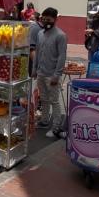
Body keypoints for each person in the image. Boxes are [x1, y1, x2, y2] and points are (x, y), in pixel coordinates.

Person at [32, 7, 67, 138]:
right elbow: (37, 52)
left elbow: (61, 56)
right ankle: (44, 121)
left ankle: (56, 127)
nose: (46, 20)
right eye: (44, 18)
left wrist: (56, 75)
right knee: (44, 99)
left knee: (54, 101)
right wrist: (34, 69)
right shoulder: (40, 33)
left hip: (52, 75)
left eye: (49, 19)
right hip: (40, 73)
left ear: (55, 19)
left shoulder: (61, 35)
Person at [28, 12, 42, 76]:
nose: (30, 21)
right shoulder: (34, 28)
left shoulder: (43, 29)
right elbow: (31, 49)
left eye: (32, 19)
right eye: (29, 19)